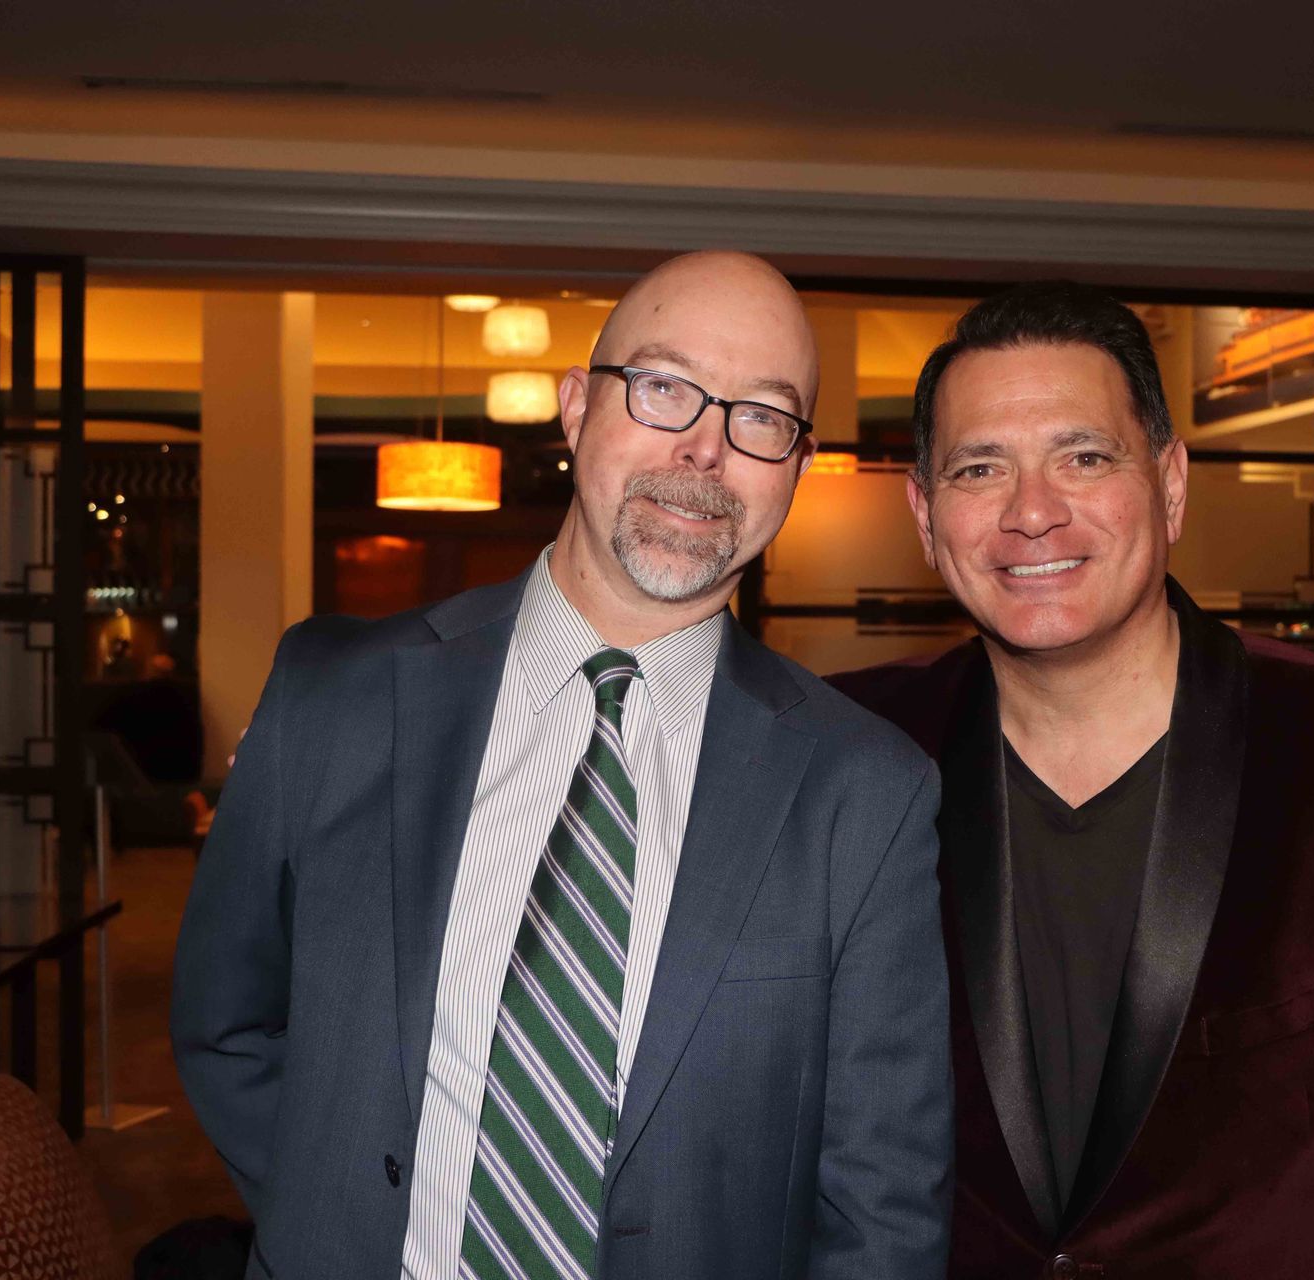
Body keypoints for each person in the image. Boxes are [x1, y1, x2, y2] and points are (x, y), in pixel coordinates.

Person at [172, 252, 951, 1280]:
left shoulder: (868, 790)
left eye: (762, 416)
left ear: (797, 468)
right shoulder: (336, 696)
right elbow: (227, 1021)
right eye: (665, 387)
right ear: (577, 407)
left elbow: (882, 1205)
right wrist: (342, 1218)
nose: (705, 448)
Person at [832, 282, 1314, 1278]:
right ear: (927, 516)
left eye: (1084, 456)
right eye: (980, 468)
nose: (1032, 511)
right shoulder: (852, 750)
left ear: (1172, 482)